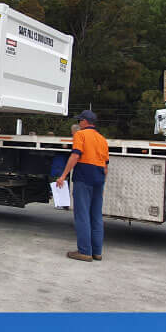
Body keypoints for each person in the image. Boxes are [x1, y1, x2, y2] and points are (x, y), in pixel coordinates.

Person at [54, 111, 109, 262]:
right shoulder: (102, 140)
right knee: (96, 216)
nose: (78, 124)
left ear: (85, 122)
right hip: (99, 178)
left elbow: (75, 155)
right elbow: (105, 167)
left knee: (82, 214)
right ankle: (97, 252)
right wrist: (102, 185)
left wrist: (63, 176)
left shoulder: (80, 135)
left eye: (80, 121)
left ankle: (84, 251)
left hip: (84, 176)